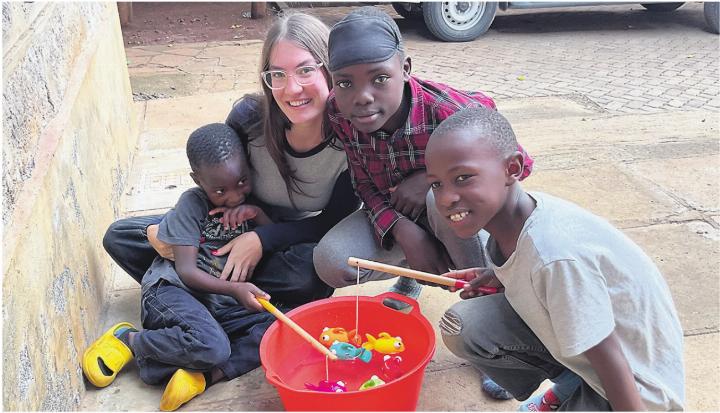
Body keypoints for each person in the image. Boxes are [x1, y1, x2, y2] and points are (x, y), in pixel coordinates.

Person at [312, 6, 533, 399]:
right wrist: (402, 230)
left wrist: (431, 180)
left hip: (458, 216)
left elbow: (519, 165)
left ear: (406, 68)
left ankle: (492, 334)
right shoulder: (338, 111)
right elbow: (363, 180)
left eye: (380, 79)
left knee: (441, 200)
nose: (362, 97)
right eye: (345, 83)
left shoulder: (446, 111)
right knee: (332, 260)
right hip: (401, 215)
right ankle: (415, 273)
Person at [426, 107, 684, 411]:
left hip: (638, 389)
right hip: (597, 364)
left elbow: (610, 357)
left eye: (463, 177)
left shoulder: (555, 256)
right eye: (436, 184)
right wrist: (498, 274)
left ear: (512, 169)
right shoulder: (510, 220)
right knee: (463, 325)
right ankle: (572, 385)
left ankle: (590, 395)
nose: (445, 198)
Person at [102, 13, 358, 306]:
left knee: (307, 276)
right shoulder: (249, 117)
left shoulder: (351, 142)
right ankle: (217, 292)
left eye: (305, 70)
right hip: (226, 225)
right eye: (277, 74)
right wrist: (178, 229)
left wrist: (262, 240)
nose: (291, 88)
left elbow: (331, 222)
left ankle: (201, 292)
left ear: (330, 70)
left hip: (285, 236)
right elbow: (214, 180)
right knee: (122, 236)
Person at [83, 123, 284, 411]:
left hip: (219, 303)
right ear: (198, 180)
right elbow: (187, 271)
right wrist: (235, 288)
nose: (234, 196)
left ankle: (204, 374)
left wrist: (258, 215)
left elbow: (275, 239)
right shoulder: (192, 204)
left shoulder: (255, 200)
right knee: (214, 347)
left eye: (241, 182)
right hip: (174, 291)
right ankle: (129, 341)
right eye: (220, 190)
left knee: (282, 326)